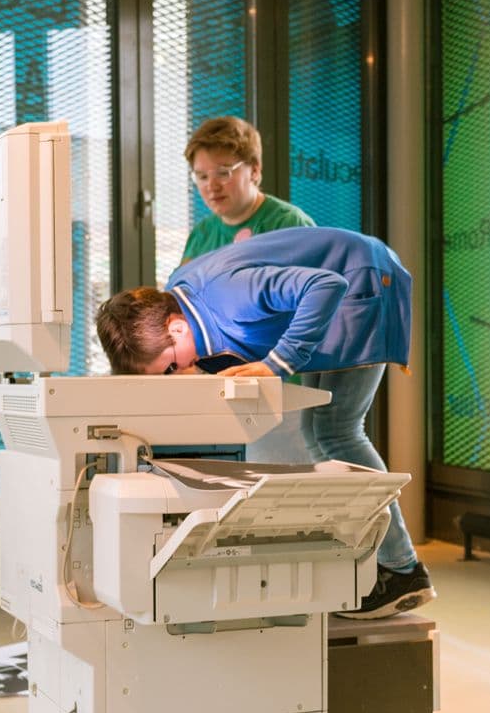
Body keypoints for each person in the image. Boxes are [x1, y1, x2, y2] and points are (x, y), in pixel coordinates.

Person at [95, 227, 434, 619]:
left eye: (171, 366)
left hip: (364, 280)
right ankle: (381, 561)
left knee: (339, 432)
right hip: (338, 292)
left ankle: (403, 568)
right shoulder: (180, 296)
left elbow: (326, 284)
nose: (178, 372)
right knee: (316, 432)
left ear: (175, 326)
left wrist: (277, 364)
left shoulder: (230, 298)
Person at [177, 116, 313, 268]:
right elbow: (180, 289)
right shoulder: (201, 234)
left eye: (223, 173)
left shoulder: (289, 224)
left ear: (254, 170)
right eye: (202, 176)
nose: (212, 186)